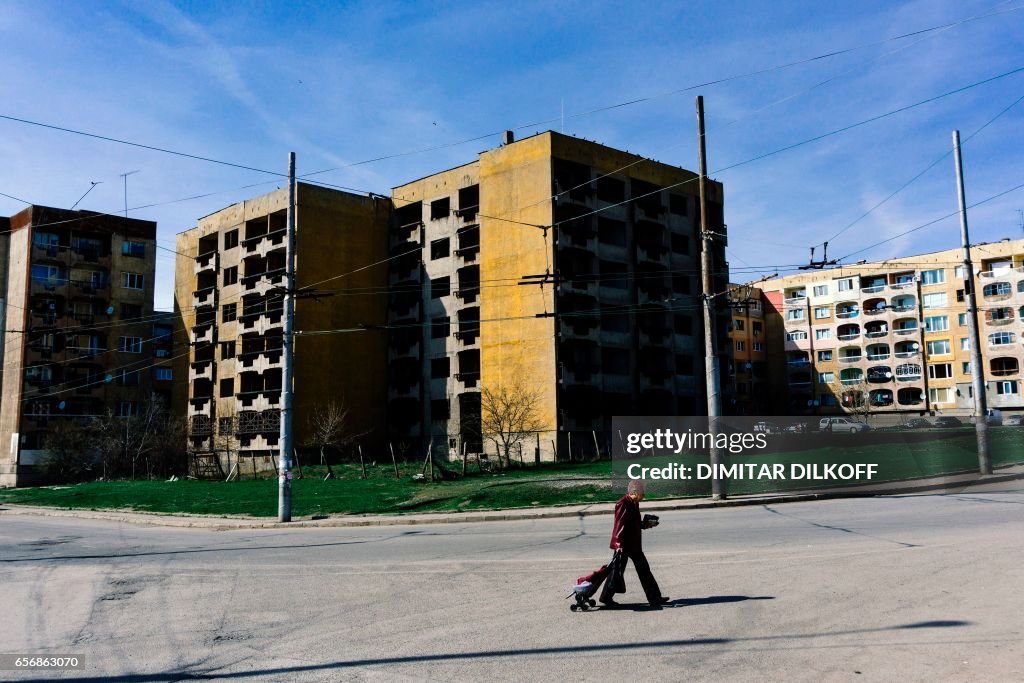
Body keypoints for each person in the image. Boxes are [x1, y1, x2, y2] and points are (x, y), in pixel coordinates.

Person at [600, 478, 669, 609]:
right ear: (635, 492)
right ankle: (606, 597)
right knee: (616, 572)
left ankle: (655, 597)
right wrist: (618, 545)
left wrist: (645, 525)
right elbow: (619, 526)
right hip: (624, 546)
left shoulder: (634, 503)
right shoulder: (623, 504)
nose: (644, 496)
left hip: (634, 545)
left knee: (644, 570)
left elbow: (633, 523)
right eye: (643, 493)